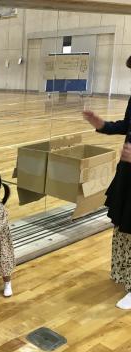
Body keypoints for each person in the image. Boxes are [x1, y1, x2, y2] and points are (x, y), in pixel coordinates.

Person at [83, 57, 131, 309]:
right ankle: (125, 273)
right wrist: (103, 125)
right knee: (125, 224)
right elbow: (127, 125)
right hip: (128, 173)